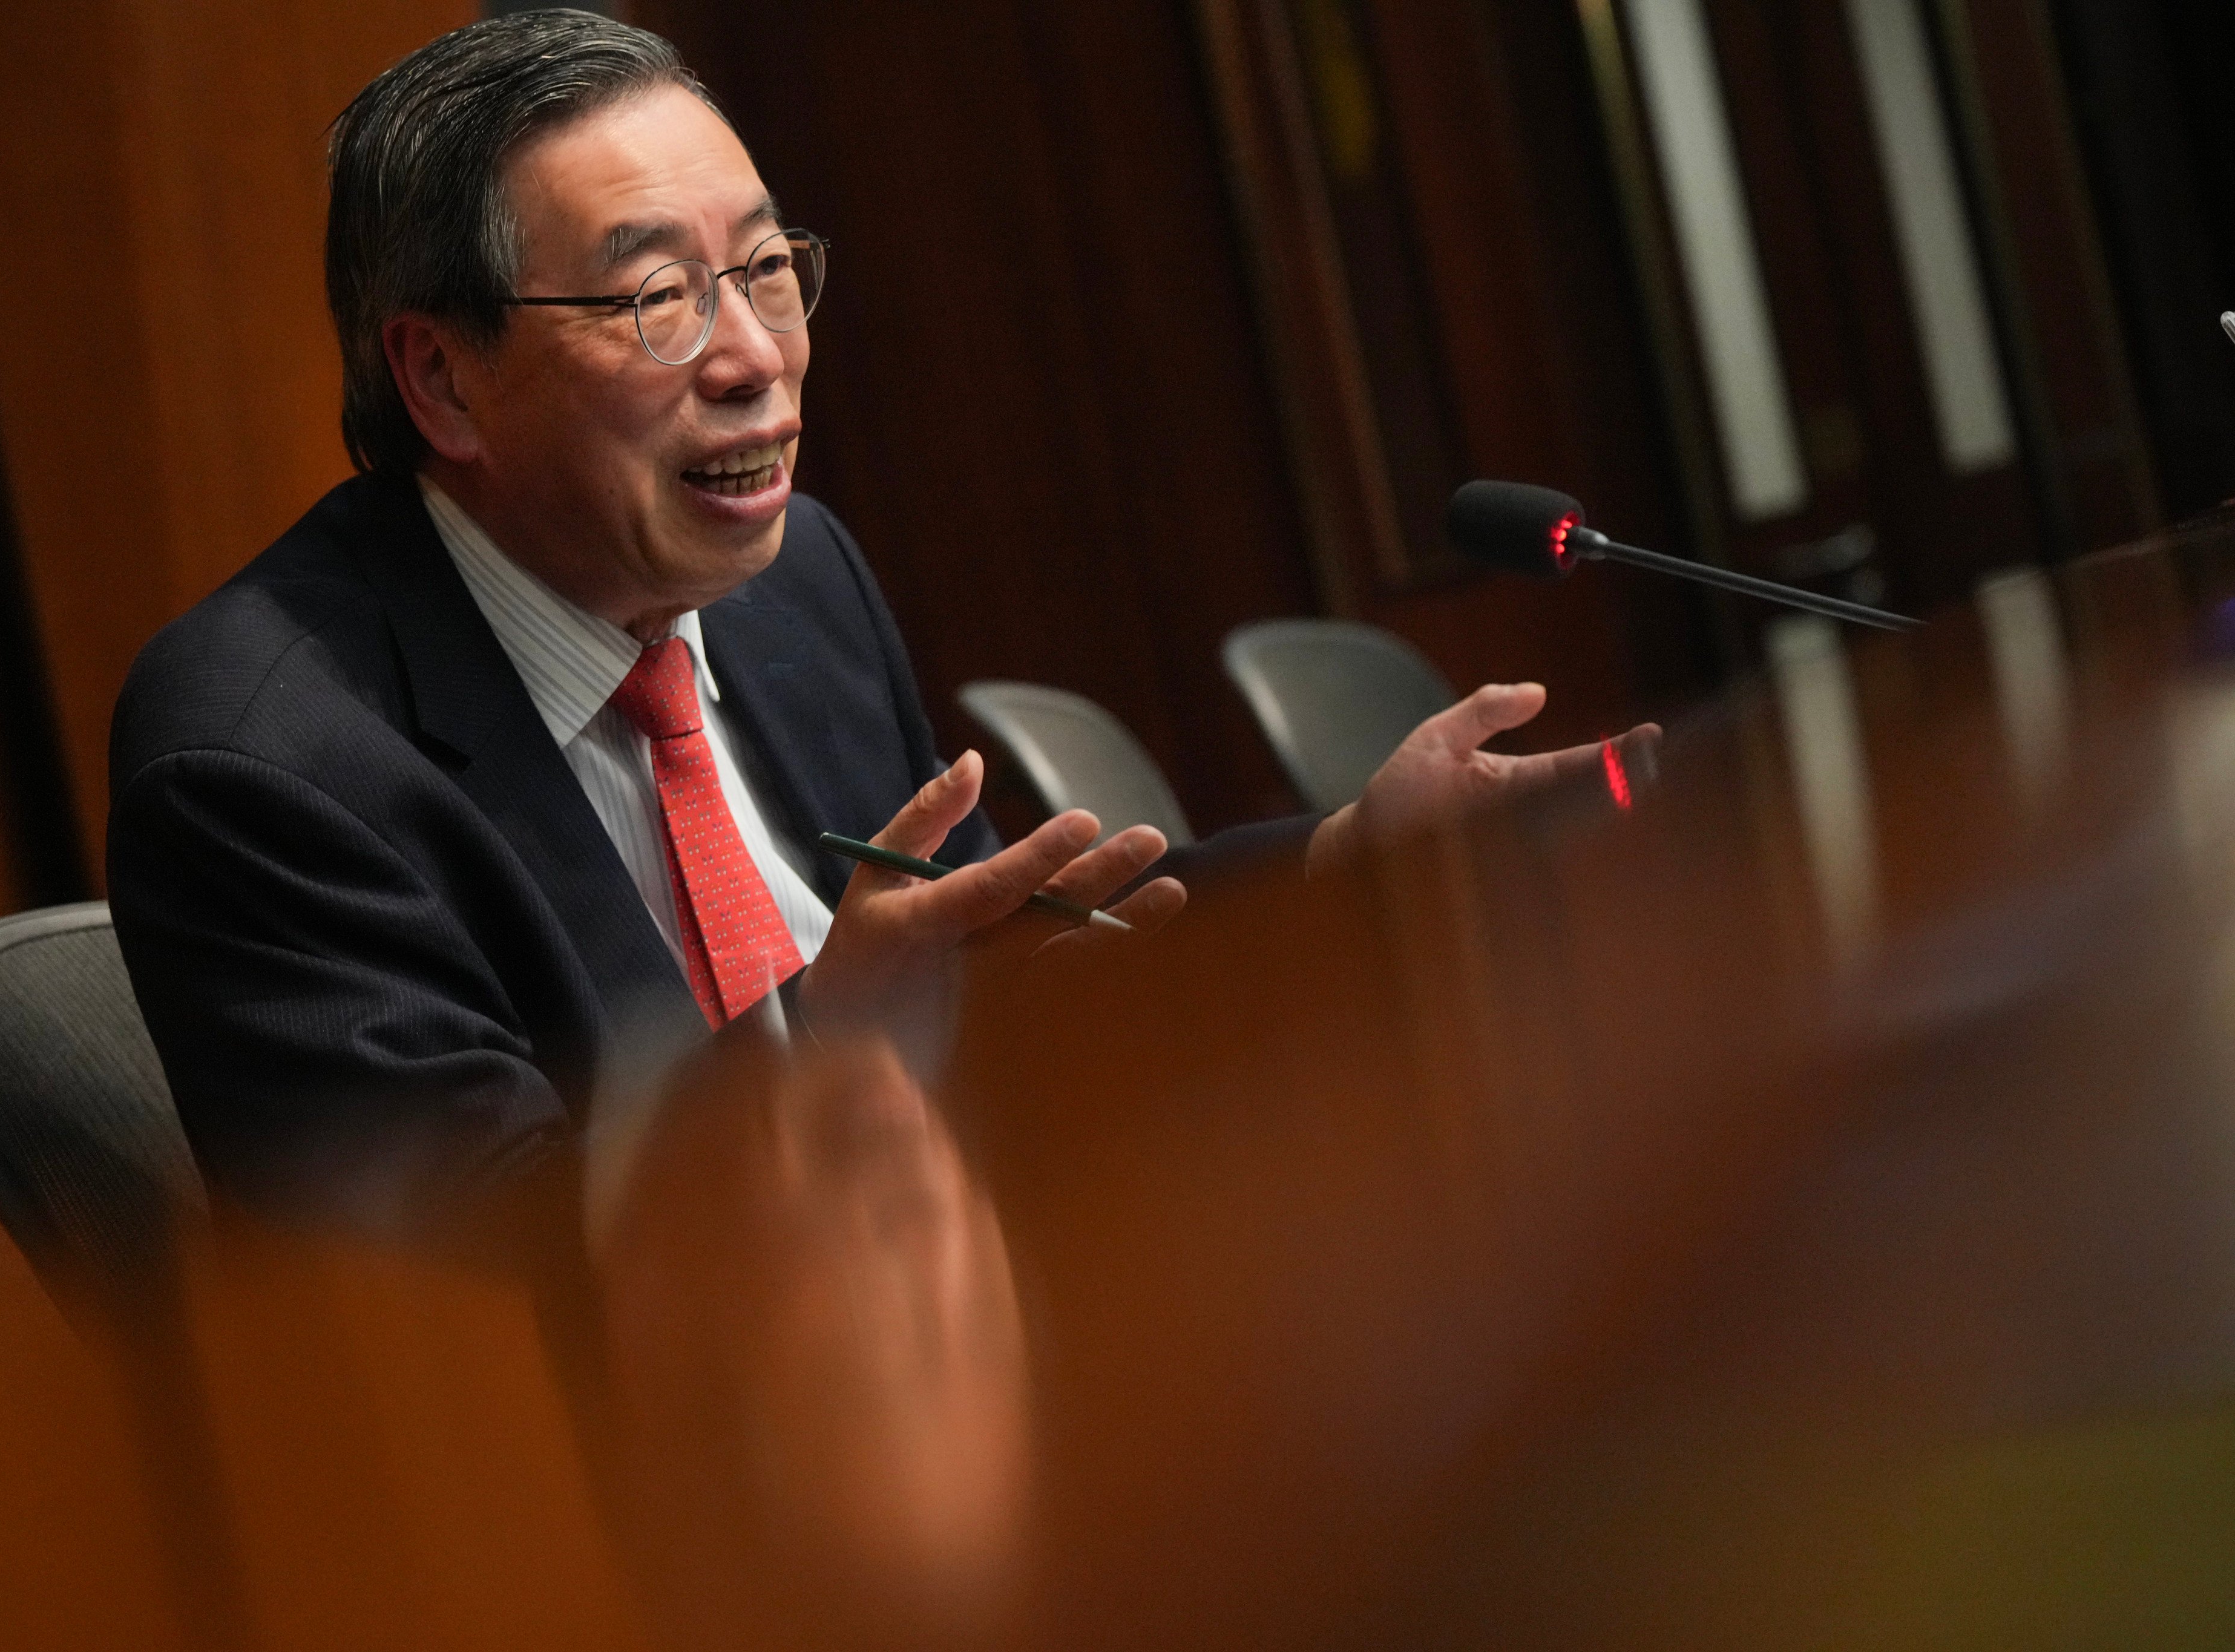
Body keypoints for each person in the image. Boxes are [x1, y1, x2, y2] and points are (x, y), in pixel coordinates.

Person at [108, 11, 1647, 1237]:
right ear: (440, 380)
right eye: (658, 300)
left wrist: (1339, 861)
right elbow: (463, 1279)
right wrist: (813, 1064)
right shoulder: (266, 758)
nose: (753, 358)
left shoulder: (795, 583)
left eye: (768, 273)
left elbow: (985, 971)